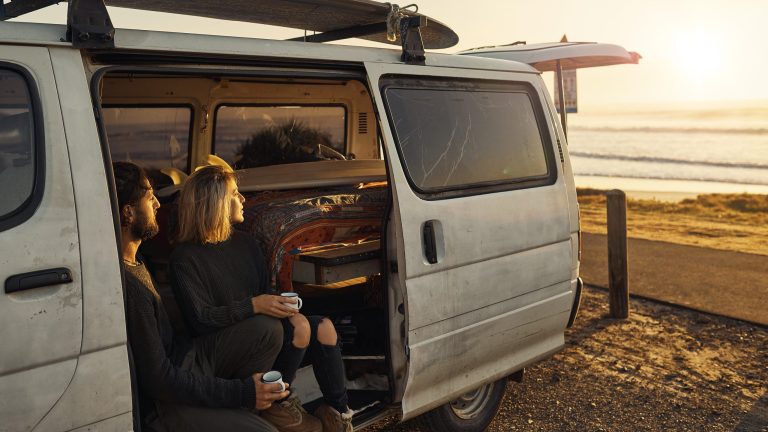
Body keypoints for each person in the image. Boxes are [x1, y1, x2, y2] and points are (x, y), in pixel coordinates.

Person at [170, 165, 354, 432]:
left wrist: (278, 303)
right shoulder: (184, 258)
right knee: (269, 326)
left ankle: (339, 414)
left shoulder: (246, 244)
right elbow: (201, 320)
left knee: (319, 326)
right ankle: (273, 403)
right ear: (217, 203)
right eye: (235, 194)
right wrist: (255, 305)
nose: (244, 199)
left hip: (259, 331)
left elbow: (261, 293)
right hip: (218, 348)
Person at [114, 161, 288, 432]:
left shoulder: (137, 262)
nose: (159, 205)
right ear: (128, 213)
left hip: (184, 359)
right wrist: (241, 391)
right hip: (164, 405)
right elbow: (160, 380)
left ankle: (243, 408)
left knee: (268, 329)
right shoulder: (132, 284)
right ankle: (240, 410)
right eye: (150, 198)